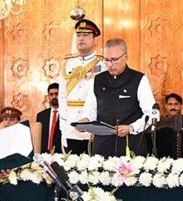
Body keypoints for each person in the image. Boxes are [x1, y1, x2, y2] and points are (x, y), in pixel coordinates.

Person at [80, 38, 156, 157]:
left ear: (126, 57)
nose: (110, 64)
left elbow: (152, 114)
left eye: (114, 60)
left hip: (130, 145)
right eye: (107, 60)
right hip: (102, 146)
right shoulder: (98, 80)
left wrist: (131, 127)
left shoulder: (139, 79)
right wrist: (85, 120)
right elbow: (90, 108)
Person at [58, 19, 106, 154]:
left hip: (93, 123)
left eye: (86, 35)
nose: (81, 39)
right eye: (78, 35)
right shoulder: (67, 64)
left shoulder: (103, 64)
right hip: (71, 125)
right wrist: (63, 125)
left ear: (95, 39)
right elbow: (62, 97)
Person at [153, 93, 183, 158]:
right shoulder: (160, 122)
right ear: (166, 106)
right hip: (163, 161)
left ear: (180, 106)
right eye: (170, 104)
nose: (173, 107)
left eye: (176, 104)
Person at [36, 83, 62, 153]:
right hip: (44, 154)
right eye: (51, 94)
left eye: (57, 94)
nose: (54, 96)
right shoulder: (41, 116)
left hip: (61, 154)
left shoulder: (67, 114)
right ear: (48, 96)